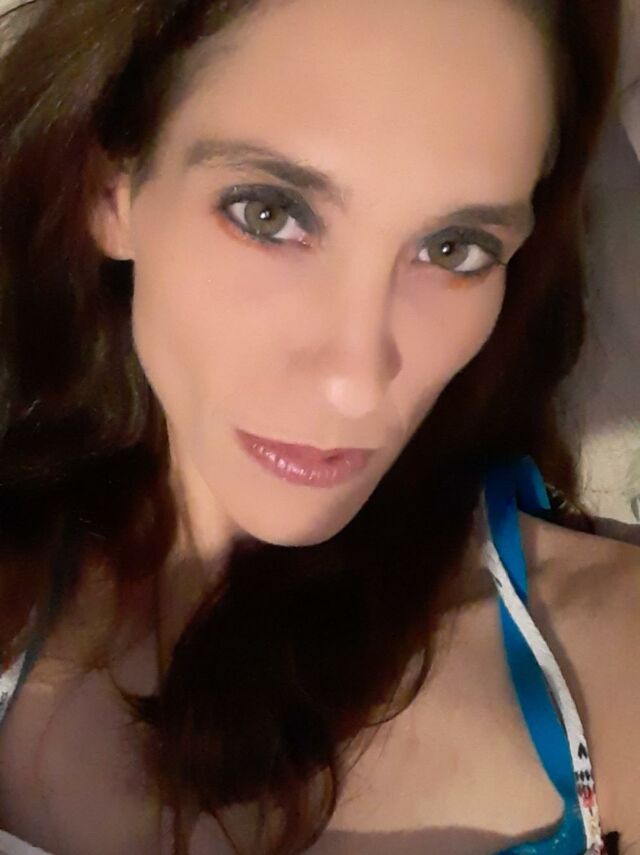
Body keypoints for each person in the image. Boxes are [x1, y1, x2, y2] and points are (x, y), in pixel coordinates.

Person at [0, 1, 635, 854]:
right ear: (110, 190)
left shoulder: (610, 654)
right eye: (268, 213)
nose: (356, 384)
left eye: (454, 249)